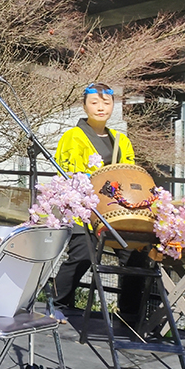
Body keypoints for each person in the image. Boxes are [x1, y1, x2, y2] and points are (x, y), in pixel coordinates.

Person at [51, 83, 146, 317]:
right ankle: (58, 303)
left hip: (116, 209)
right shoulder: (73, 137)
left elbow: (129, 171)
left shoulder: (121, 140)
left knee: (135, 254)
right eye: (94, 103)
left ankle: (129, 314)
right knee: (83, 254)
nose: (101, 108)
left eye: (106, 103)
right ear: (84, 106)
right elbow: (68, 173)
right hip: (82, 208)